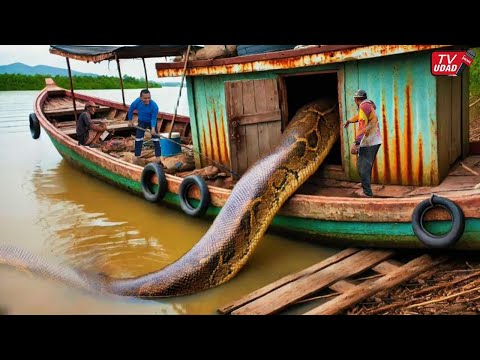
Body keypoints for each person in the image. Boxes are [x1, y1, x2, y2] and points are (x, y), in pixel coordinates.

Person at [343, 89, 382, 197]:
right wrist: (350, 121)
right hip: (373, 140)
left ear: (356, 99)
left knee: (363, 167)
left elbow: (362, 126)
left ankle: (367, 193)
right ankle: (366, 185)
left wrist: (356, 142)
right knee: (364, 165)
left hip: (369, 141)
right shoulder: (367, 105)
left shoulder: (364, 106)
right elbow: (360, 117)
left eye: (355, 100)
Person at [127, 89, 161, 162]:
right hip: (142, 121)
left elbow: (153, 119)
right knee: (139, 138)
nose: (147, 100)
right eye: (145, 98)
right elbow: (130, 110)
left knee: (156, 138)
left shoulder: (154, 106)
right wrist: (130, 121)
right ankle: (137, 155)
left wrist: (152, 129)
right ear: (140, 97)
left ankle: (158, 156)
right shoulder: (136, 102)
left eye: (149, 98)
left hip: (151, 122)